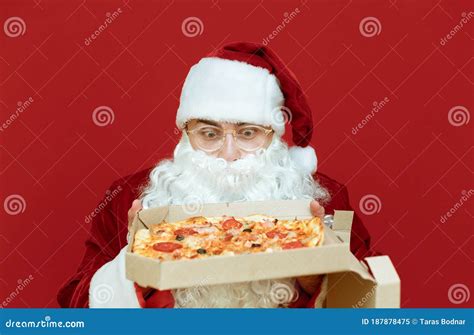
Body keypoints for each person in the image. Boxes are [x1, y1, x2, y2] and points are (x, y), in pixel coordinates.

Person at [57, 42, 375, 308]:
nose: (228, 154)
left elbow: (374, 308)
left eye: (248, 133)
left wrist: (316, 277)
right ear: (185, 133)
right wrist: (134, 267)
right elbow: (76, 310)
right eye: (209, 134)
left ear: (274, 136)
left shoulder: (326, 199)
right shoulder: (130, 197)